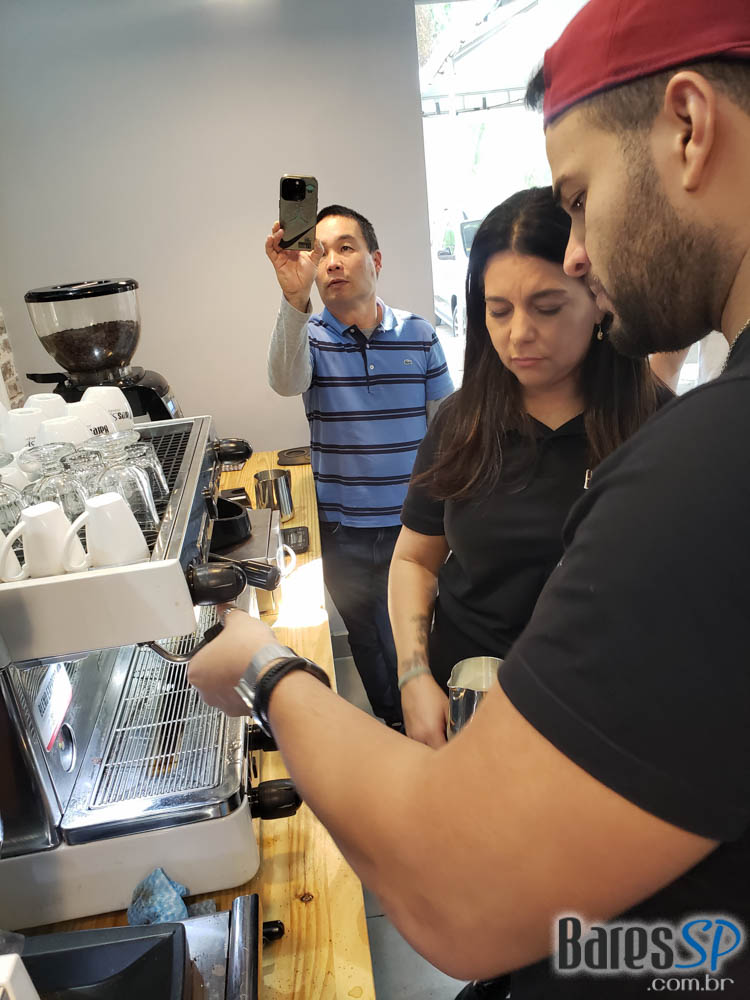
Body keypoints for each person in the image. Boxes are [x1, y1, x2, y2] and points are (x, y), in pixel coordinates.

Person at [191, 1, 750, 994]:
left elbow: (458, 890)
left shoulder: (691, 460)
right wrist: (416, 677)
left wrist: (266, 667)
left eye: (581, 199)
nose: (578, 255)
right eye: (499, 309)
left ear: (690, 127)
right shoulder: (454, 411)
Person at [389, 187, 669, 748]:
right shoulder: (462, 422)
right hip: (468, 704)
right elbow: (414, 559)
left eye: (547, 307)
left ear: (598, 299)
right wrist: (414, 675)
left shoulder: (658, 427)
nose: (518, 334)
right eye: (499, 311)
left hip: (601, 721)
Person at [265, 205, 454, 728]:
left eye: (345, 248)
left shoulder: (419, 334)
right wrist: (293, 298)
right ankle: (393, 725)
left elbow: (448, 432)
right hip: (342, 531)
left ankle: (433, 725)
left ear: (376, 260)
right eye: (319, 252)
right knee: (366, 637)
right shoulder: (309, 337)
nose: (331, 262)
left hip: (413, 528)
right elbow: (284, 380)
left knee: (416, 633)